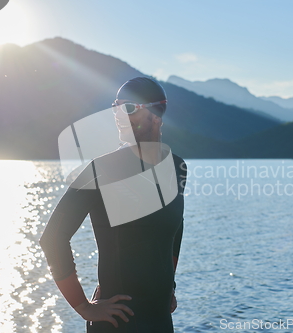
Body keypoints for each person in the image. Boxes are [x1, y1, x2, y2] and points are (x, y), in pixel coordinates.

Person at [39, 77, 187, 332]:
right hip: (117, 322)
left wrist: (169, 285)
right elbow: (52, 237)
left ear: (156, 113)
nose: (118, 115)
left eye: (127, 107)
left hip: (161, 320)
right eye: (115, 106)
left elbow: (175, 230)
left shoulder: (176, 167)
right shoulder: (102, 169)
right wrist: (83, 306)